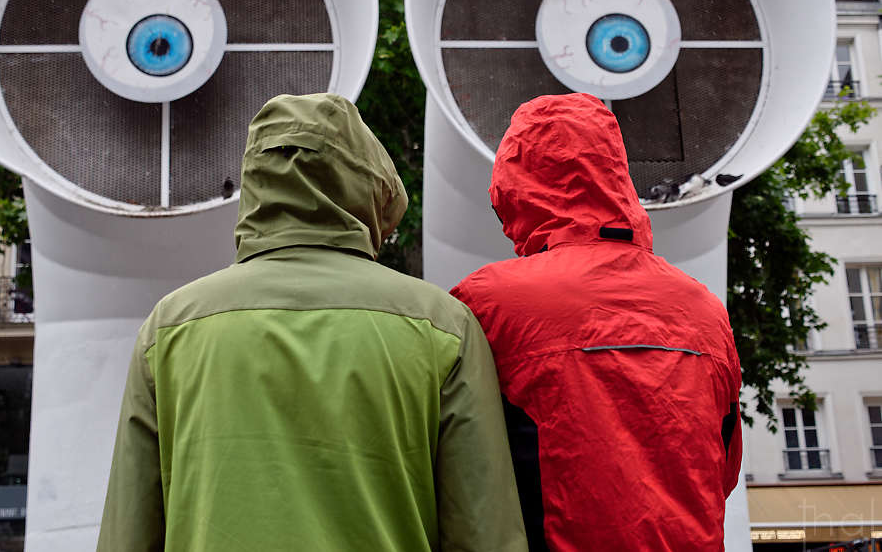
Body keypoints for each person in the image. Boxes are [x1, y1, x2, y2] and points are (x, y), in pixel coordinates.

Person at [97, 93, 527, 552]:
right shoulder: (442, 325)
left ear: (255, 183)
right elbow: (484, 532)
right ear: (368, 184)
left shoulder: (170, 328)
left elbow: (130, 529)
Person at [450, 93, 742, 551]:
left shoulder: (487, 301)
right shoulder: (704, 309)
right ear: (616, 174)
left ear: (513, 185)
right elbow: (721, 468)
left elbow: (458, 464)